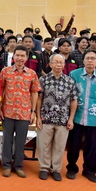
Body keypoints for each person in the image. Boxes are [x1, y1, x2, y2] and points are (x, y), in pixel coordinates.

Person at [66, 49, 96, 183]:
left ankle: (90, 171)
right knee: (73, 145)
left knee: (91, 146)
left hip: (94, 117)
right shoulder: (74, 74)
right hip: (76, 116)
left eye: (93, 58)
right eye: (88, 58)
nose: (90, 61)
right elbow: (69, 96)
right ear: (83, 60)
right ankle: (72, 168)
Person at [0, 45, 41, 178]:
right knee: (7, 139)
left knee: (21, 140)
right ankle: (6, 165)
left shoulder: (32, 74)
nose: (20, 58)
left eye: (23, 56)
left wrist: (33, 111)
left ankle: (18, 166)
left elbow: (34, 93)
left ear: (27, 57)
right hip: (8, 111)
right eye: (17, 55)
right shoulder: (5, 71)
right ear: (13, 56)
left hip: (24, 112)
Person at [35, 53, 78, 181]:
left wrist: (71, 119)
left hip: (63, 119)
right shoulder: (43, 80)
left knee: (59, 146)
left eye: (61, 62)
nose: (58, 65)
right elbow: (39, 99)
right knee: (44, 144)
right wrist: (38, 116)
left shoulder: (70, 81)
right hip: (46, 117)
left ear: (64, 65)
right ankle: (44, 167)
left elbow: (74, 100)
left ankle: (56, 169)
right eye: (56, 62)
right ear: (50, 64)